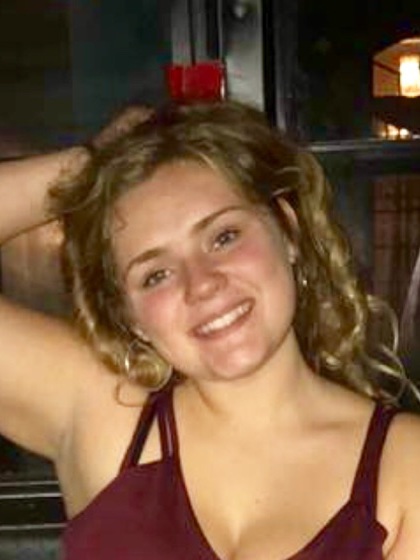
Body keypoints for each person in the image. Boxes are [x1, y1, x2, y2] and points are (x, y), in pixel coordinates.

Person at [0, 100, 419, 560]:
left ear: (288, 231)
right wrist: (88, 166)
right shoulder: (104, 417)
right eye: (156, 275)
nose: (201, 284)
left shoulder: (404, 464)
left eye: (223, 237)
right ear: (128, 315)